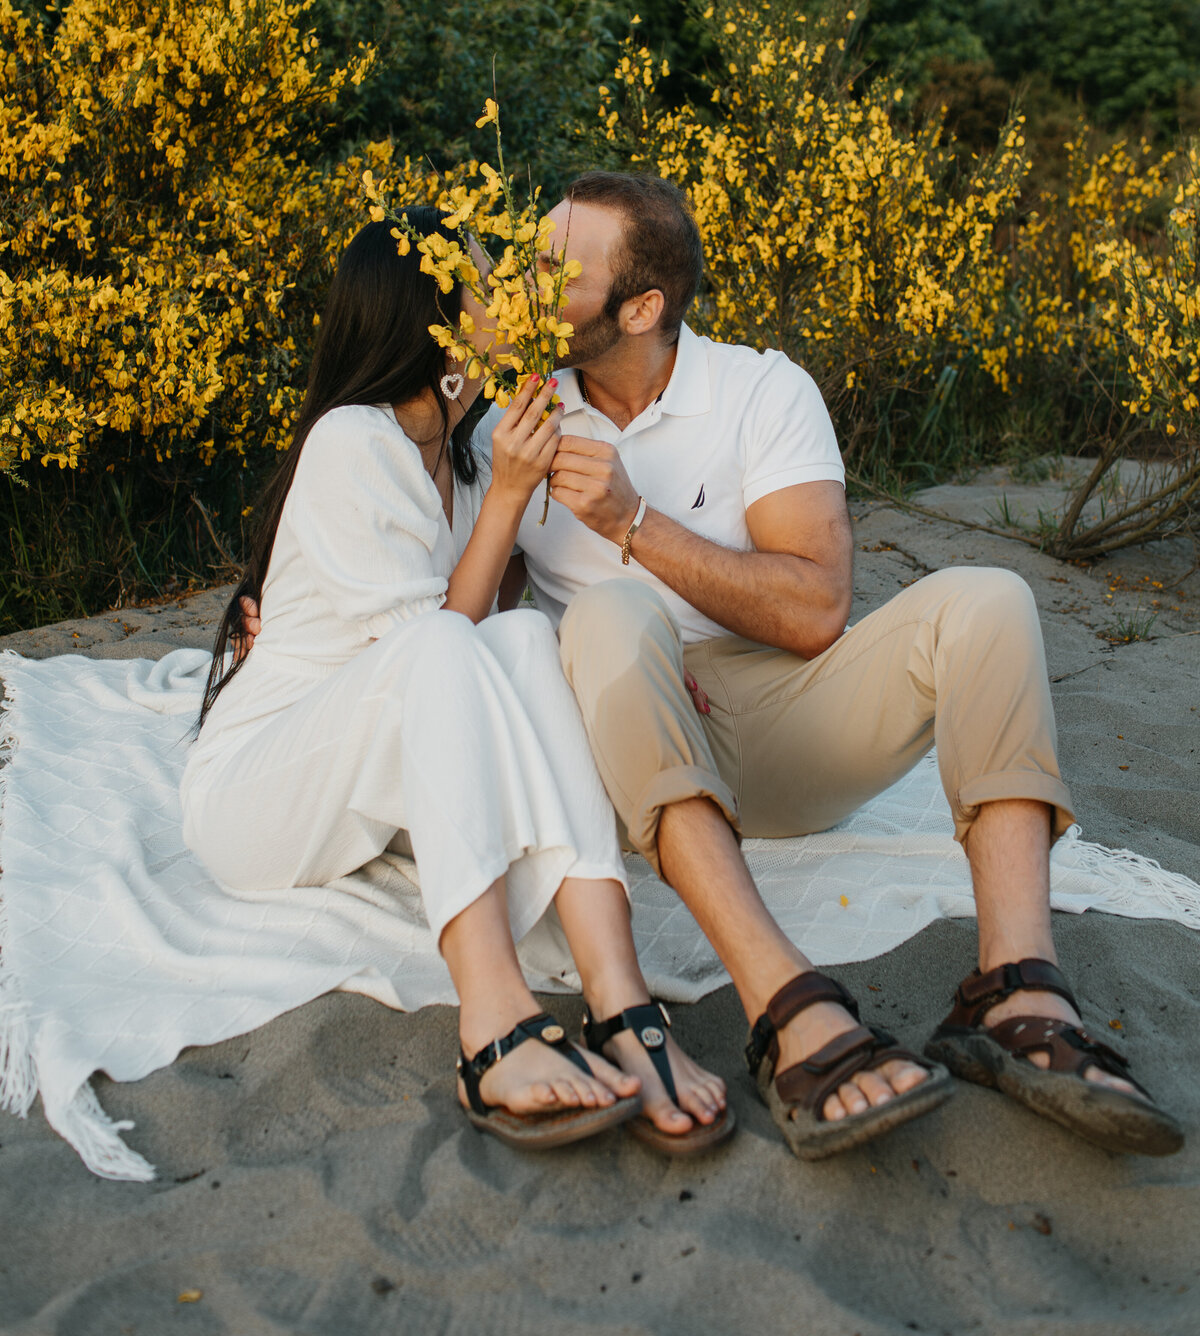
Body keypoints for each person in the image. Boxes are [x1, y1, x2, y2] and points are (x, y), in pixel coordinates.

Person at [467, 171, 1184, 1163]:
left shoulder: (762, 390)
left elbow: (813, 612)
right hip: (621, 743)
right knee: (607, 612)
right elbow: (469, 633)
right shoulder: (511, 419)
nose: (524, 288)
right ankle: (784, 1004)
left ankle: (1014, 987)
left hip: (778, 721)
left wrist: (634, 522)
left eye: (555, 272)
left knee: (990, 600)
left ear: (642, 308)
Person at [183, 213, 731, 1154]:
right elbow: (437, 645)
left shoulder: (468, 461)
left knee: (522, 638)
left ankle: (618, 995)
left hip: (362, 781)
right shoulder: (352, 443)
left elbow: (503, 630)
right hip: (259, 793)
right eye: (482, 291)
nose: (507, 305)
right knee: (452, 644)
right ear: (429, 327)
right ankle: (492, 1012)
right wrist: (514, 497)